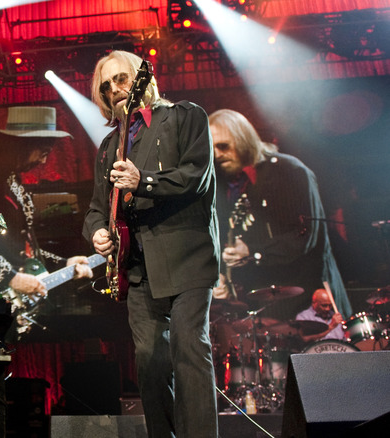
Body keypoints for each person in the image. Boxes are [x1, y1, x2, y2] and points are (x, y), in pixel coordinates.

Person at [83, 50, 220, 437]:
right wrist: (97, 232)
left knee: (189, 347)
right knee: (149, 360)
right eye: (106, 86)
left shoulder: (185, 116)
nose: (115, 89)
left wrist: (143, 182)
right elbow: (96, 209)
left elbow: (196, 176)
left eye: (122, 79)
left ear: (142, 79)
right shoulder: (110, 145)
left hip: (187, 256)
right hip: (138, 269)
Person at [208, 109, 353, 319]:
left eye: (223, 146)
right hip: (265, 305)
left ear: (243, 140)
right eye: (211, 148)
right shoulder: (223, 183)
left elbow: (305, 235)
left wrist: (253, 251)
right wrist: (222, 276)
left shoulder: (289, 170)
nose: (217, 154)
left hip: (310, 300)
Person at [0, 106, 94, 337]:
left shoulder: (11, 178)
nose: (44, 162)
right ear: (22, 145)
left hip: (9, 296)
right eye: (42, 152)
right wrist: (11, 278)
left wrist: (64, 263)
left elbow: (21, 248)